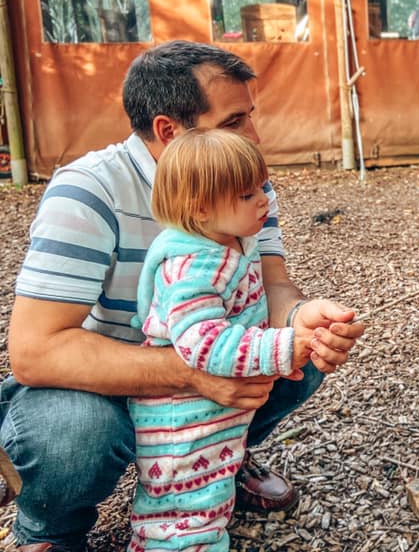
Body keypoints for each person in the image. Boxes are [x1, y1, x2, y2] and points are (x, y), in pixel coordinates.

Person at [1, 41, 366, 552]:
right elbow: (35, 352)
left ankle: (218, 462)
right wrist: (194, 372)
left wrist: (303, 318)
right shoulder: (89, 191)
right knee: (75, 431)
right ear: (170, 131)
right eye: (235, 121)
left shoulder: (239, 181)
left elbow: (273, 283)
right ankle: (50, 531)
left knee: (299, 359)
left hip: (205, 355)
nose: (254, 137)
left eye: (250, 117)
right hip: (99, 379)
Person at [128, 129, 321, 551]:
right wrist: (282, 347)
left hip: (211, 412)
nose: (264, 200)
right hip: (182, 419)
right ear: (200, 208)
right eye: (247, 195)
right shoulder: (195, 266)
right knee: (184, 509)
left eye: (261, 188)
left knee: (209, 493)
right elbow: (203, 343)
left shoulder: (229, 242)